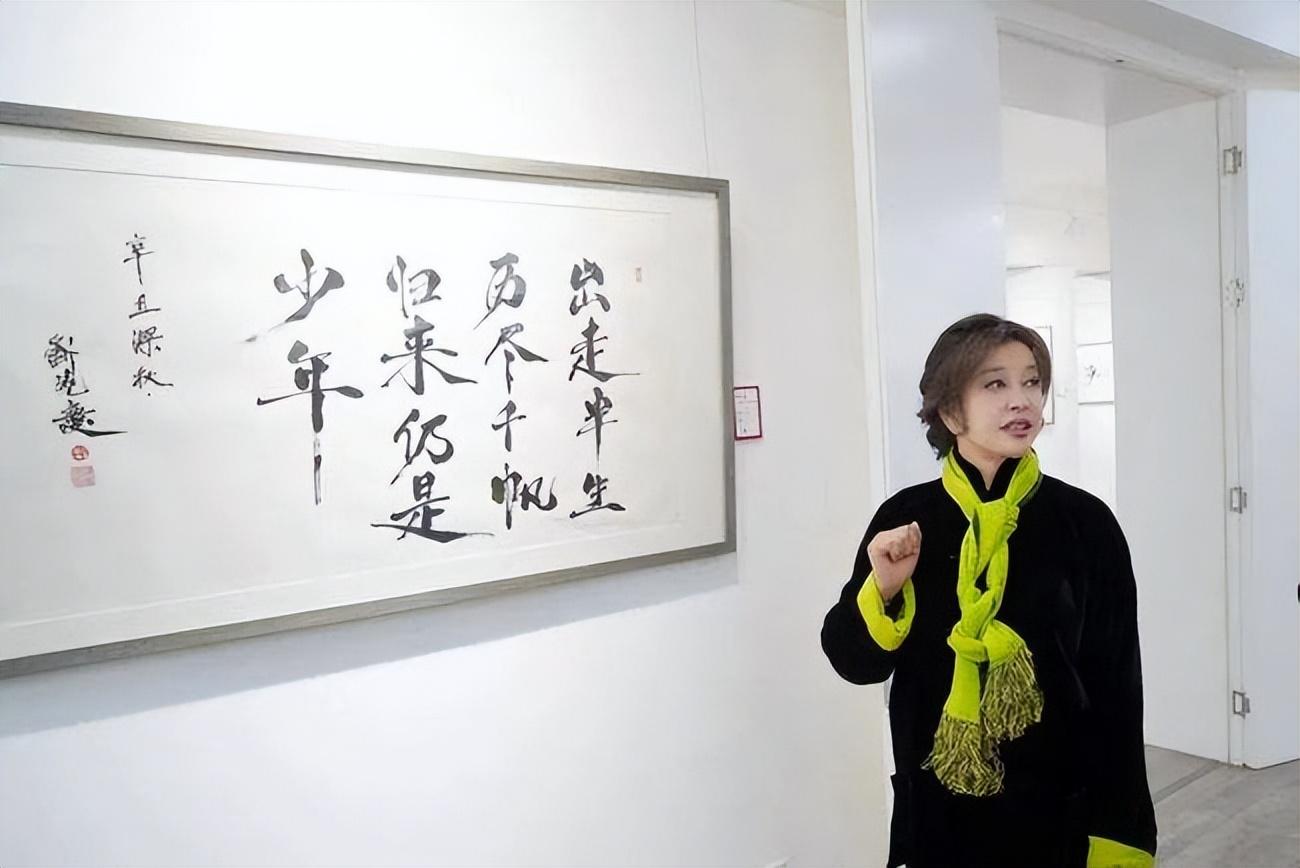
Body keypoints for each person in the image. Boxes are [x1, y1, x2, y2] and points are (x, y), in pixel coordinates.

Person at [822, 314, 1157, 868]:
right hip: (937, 815)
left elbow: (1118, 688)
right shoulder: (907, 519)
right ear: (950, 411)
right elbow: (854, 663)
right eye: (995, 384)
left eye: (1032, 382)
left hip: (1057, 818)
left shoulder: (1084, 523)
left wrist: (1121, 834)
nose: (1021, 400)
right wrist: (884, 591)